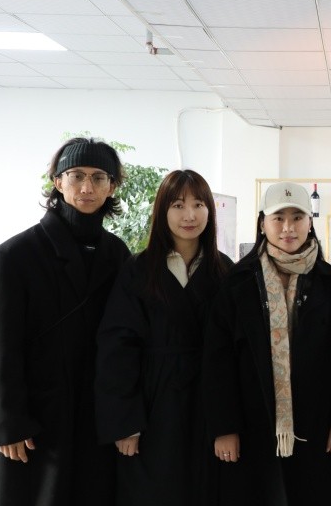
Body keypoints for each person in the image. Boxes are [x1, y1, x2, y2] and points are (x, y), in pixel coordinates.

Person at [0, 137, 132, 506]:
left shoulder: (118, 255)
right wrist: (8, 422)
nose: (87, 188)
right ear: (57, 181)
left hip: (97, 415)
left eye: (99, 177)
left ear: (112, 187)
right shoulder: (13, 256)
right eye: (76, 175)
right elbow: (1, 347)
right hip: (37, 420)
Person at [203, 182, 331, 505]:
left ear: (310, 223)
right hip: (252, 424)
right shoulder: (238, 282)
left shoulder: (329, 282)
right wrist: (224, 427)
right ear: (262, 224)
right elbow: (218, 359)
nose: (288, 228)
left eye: (297, 217)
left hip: (315, 425)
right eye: (278, 218)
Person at [95, 170, 232, 506]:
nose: (190, 215)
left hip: (209, 403)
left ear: (210, 210)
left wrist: (229, 424)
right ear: (162, 211)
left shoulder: (225, 271)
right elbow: (118, 347)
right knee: (153, 490)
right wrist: (126, 423)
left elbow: (235, 352)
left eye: (198, 204)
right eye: (178, 205)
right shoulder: (138, 269)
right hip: (154, 404)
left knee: (207, 490)